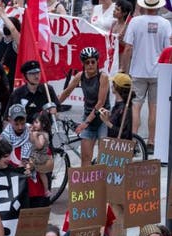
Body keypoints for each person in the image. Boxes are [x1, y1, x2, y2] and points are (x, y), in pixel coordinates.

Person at [121, 0, 172, 155]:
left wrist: (124, 69)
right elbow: (168, 49)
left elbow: (128, 47)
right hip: (158, 72)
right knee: (154, 108)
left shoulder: (135, 22)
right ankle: (151, 142)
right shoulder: (165, 24)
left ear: (143, 5)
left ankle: (134, 141)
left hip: (138, 70)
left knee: (135, 106)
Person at [58, 48, 109, 166]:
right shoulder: (80, 76)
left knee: (103, 158)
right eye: (87, 62)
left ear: (97, 62)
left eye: (93, 62)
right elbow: (66, 92)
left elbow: (100, 102)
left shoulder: (103, 77)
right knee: (85, 158)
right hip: (88, 116)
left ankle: (101, 183)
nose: (90, 65)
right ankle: (87, 184)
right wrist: (53, 105)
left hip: (102, 118)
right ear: (83, 64)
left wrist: (86, 122)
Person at [100, 73, 134, 139]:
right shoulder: (118, 104)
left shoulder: (125, 108)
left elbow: (124, 133)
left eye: (113, 84)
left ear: (117, 87)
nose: (111, 86)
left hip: (118, 147)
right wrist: (109, 117)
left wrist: (107, 122)